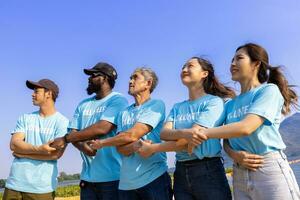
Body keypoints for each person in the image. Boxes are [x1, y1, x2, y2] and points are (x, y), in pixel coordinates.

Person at [194, 43, 300, 200]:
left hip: (268, 168)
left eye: (239, 58)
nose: (232, 63)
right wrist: (235, 155)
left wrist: (200, 133)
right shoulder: (229, 104)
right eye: (232, 60)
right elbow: (226, 140)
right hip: (239, 172)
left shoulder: (268, 90)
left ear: (256, 64)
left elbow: (246, 127)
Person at [137, 57, 234, 200]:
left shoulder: (213, 102)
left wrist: (152, 148)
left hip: (208, 171)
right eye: (183, 67)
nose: (184, 70)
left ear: (204, 74)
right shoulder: (178, 107)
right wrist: (186, 133)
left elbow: (190, 142)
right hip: (181, 172)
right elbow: (164, 133)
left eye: (190, 66)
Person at [89, 67, 172, 200]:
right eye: (130, 78)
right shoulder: (124, 112)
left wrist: (102, 143)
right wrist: (135, 146)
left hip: (154, 180)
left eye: (135, 77)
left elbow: (131, 135)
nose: (130, 81)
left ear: (148, 84)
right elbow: (120, 148)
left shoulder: (156, 105)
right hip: (126, 185)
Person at [50, 62, 128, 200]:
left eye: (93, 75)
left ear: (105, 78)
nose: (89, 78)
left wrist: (66, 139)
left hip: (113, 178)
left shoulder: (118, 100)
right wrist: (83, 147)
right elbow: (72, 132)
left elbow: (103, 127)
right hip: (87, 180)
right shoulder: (83, 104)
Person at [3, 79, 69, 200]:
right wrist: (39, 149)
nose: (32, 94)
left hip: (41, 189)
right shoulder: (25, 118)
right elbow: (14, 145)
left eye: (36, 91)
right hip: (13, 185)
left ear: (48, 93)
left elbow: (55, 155)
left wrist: (22, 154)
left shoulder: (63, 123)